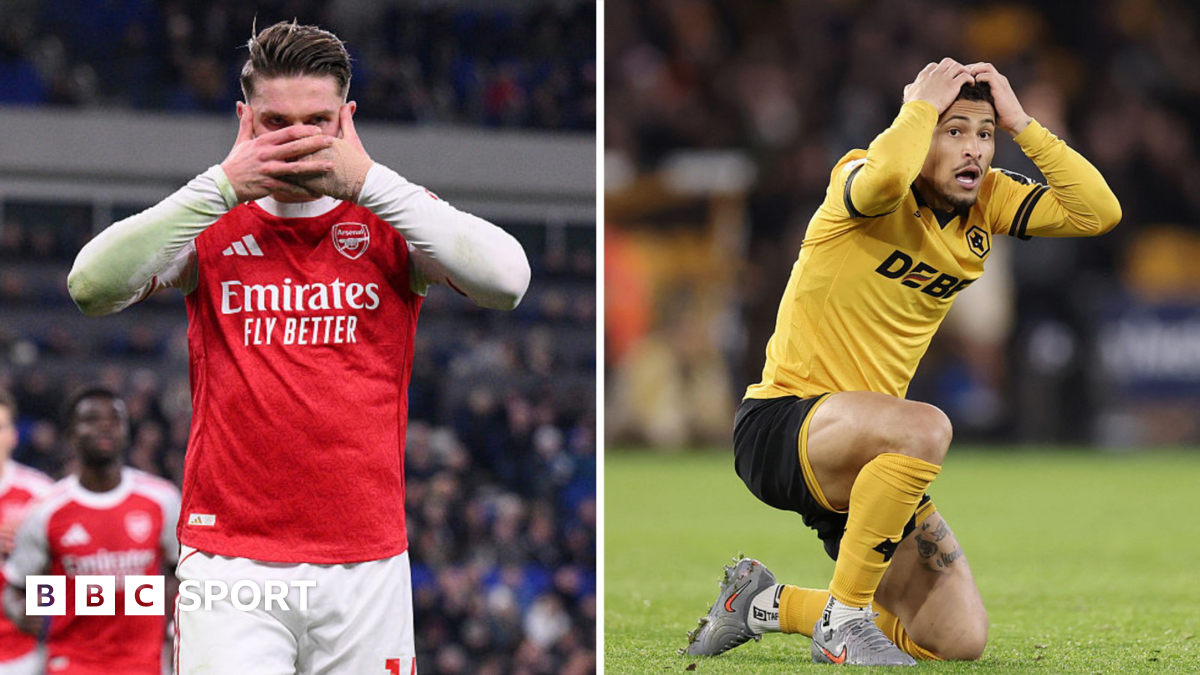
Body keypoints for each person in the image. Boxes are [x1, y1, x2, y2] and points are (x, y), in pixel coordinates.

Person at [66, 20, 531, 674]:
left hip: (367, 562)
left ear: (347, 120)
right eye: (275, 122)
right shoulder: (211, 220)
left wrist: (370, 181)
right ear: (244, 121)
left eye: (317, 121)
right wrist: (222, 184)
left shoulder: (390, 219)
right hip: (231, 563)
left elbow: (509, 281)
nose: (296, 140)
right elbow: (89, 287)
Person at [682, 59, 1120, 666]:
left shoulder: (987, 202)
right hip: (786, 424)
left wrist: (1023, 123)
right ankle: (844, 620)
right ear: (921, 131)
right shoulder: (860, 176)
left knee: (956, 640)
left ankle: (762, 604)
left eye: (984, 134)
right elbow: (885, 178)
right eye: (955, 131)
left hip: (876, 456)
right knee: (928, 426)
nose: (974, 149)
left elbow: (1098, 212)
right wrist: (918, 106)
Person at [3, 386, 180, 675]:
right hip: (72, 663)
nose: (105, 427)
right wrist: (29, 611)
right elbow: (16, 588)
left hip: (143, 664)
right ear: (71, 435)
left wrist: (170, 619)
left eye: (114, 419)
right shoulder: (46, 511)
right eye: (92, 420)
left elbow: (182, 573)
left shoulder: (161, 500)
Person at [0, 390, 53, 675]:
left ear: (14, 435)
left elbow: (67, 570)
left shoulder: (41, 494)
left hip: (25, 654)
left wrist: (41, 610)